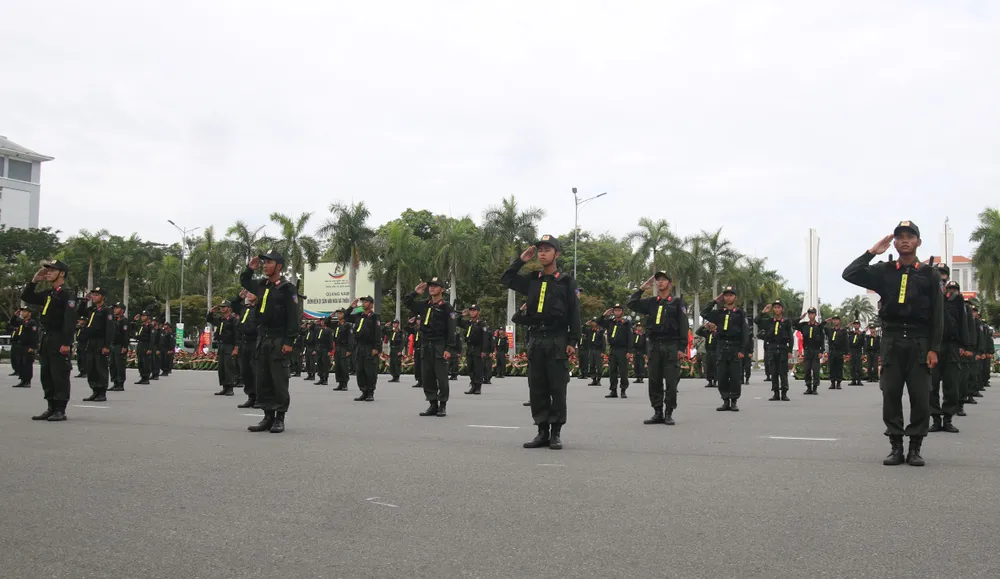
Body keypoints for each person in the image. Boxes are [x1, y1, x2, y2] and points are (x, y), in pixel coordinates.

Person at [842, 221, 941, 466]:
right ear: (894, 243)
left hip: (919, 341)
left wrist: (934, 348)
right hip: (892, 340)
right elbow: (849, 274)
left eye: (910, 236)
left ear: (919, 242)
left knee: (920, 397)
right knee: (891, 395)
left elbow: (938, 315)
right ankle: (896, 446)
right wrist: (871, 253)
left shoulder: (929, 274)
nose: (905, 240)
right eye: (900, 237)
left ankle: (915, 447)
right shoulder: (884, 271)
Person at [501, 234, 581, 450]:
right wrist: (521, 261)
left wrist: (573, 341)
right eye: (540, 250)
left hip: (557, 339)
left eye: (547, 249)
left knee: (557, 388)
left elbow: (575, 313)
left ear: (557, 253)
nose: (542, 253)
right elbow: (507, 279)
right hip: (536, 340)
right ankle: (542, 431)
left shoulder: (566, 281)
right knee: (537, 388)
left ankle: (556, 433)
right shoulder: (532, 280)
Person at [239, 250, 299, 434]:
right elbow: (245, 281)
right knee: (262, 378)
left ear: (279, 266)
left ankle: (279, 417)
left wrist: (289, 340)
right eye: (264, 263)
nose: (265, 265)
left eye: (269, 262)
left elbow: (293, 317)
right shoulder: (262, 285)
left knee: (278, 379)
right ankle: (267, 416)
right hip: (262, 337)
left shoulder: (287, 288)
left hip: (279, 338)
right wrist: (250, 269)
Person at [626, 271, 688, 425]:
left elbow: (683, 326)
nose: (660, 282)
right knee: (654, 381)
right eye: (658, 280)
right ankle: (657, 411)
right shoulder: (651, 302)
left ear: (669, 283)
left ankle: (669, 412)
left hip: (671, 346)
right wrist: (642, 289)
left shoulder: (677, 303)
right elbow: (631, 304)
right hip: (654, 345)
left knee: (671, 382)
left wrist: (681, 347)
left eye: (663, 280)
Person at [20, 260, 77, 421]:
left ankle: (60, 409)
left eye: (53, 270)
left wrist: (66, 343)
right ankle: (50, 407)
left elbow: (69, 320)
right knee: (46, 374)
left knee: (59, 374)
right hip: (46, 337)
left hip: (59, 337)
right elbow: (27, 296)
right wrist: (34, 281)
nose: (49, 272)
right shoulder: (50, 293)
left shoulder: (67, 293)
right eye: (48, 270)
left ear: (62, 273)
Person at [403, 277, 458, 417]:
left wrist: (449, 348)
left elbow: (452, 330)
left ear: (442, 289)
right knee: (427, 376)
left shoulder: (446, 307)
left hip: (439, 344)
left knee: (442, 377)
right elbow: (407, 302)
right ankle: (432, 404)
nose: (432, 288)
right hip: (425, 344)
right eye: (430, 286)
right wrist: (415, 293)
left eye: (435, 285)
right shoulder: (424, 305)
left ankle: (442, 405)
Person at [699, 286, 749, 412]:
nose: (728, 297)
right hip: (721, 347)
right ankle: (725, 400)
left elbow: (744, 332)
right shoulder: (719, 313)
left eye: (731, 295)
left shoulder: (740, 313)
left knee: (735, 376)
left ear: (735, 297)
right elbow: (703, 313)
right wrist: (714, 301)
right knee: (721, 375)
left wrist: (742, 350)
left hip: (735, 347)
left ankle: (734, 400)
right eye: (726, 295)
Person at [929, 280, 966, 433]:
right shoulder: (930, 299)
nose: (947, 288)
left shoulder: (957, 300)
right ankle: (936, 419)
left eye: (951, 287)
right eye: (942, 283)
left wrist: (965, 345)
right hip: (934, 347)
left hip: (952, 346)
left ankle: (948, 418)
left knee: (952, 385)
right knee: (932, 385)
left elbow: (963, 322)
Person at [80, 287, 115, 402]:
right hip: (91, 342)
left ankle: (102, 392)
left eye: (97, 295)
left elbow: (109, 329)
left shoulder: (106, 310)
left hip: (100, 341)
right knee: (91, 367)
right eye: (93, 295)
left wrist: (107, 345)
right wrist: (84, 300)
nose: (94, 297)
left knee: (101, 367)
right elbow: (79, 312)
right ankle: (95, 390)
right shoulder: (93, 310)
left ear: (102, 297)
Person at [756, 300, 794, 401]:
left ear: (782, 309)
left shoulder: (786, 321)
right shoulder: (769, 321)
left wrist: (790, 350)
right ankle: (776, 393)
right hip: (772, 348)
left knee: (783, 372)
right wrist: (763, 312)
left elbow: (790, 336)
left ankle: (784, 393)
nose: (777, 309)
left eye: (779, 307)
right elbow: (756, 321)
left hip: (782, 348)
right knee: (774, 372)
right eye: (775, 307)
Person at [347, 296, 382, 401]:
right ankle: (364, 391)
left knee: (370, 371)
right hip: (359, 346)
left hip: (369, 346)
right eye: (362, 302)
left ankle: (370, 392)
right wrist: (351, 307)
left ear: (371, 304)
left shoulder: (374, 316)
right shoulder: (359, 315)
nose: (363, 303)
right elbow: (346, 317)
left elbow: (377, 333)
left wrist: (376, 348)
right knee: (360, 370)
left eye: (366, 302)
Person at [599, 304, 633, 399]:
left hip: (622, 350)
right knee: (612, 371)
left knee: (623, 371)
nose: (617, 312)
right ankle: (613, 390)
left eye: (619, 310)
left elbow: (630, 337)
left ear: (622, 312)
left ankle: (623, 390)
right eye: (615, 310)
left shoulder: (626, 323)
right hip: (613, 349)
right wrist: (604, 315)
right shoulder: (610, 322)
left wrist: (629, 351)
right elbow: (599, 322)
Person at [234, 290, 260, 409]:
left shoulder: (259, 309)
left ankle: (260, 398)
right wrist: (239, 298)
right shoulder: (245, 308)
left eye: (251, 292)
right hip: (244, 343)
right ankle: (251, 396)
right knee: (246, 372)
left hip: (255, 342)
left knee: (256, 371)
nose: (249, 294)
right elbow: (233, 307)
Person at [207, 302, 238, 396]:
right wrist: (211, 312)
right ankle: (224, 387)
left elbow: (237, 334)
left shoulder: (233, 320)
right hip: (221, 345)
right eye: (221, 307)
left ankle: (230, 388)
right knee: (222, 367)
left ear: (229, 308)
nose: (222, 309)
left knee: (229, 366)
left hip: (230, 345)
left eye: (224, 307)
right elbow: (210, 320)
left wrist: (236, 347)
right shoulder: (221, 319)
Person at [457, 304, 489, 395]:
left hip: (478, 348)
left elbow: (485, 338)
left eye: (474, 310)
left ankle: (478, 387)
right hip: (470, 348)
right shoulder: (469, 323)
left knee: (478, 368)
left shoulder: (482, 324)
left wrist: (484, 350)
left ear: (478, 312)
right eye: (471, 310)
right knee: (470, 368)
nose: (472, 312)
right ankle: (473, 386)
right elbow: (456, 322)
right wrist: (462, 315)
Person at [797, 308, 825, 395]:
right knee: (807, 369)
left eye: (812, 313)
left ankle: (815, 388)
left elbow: (822, 340)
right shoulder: (804, 325)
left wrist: (821, 351)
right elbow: (793, 324)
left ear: (815, 315)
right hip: (807, 350)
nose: (811, 315)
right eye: (809, 313)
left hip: (816, 350)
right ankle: (808, 387)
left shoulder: (819, 326)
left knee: (816, 370)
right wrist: (800, 318)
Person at [13, 308, 38, 388]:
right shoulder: (22, 322)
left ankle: (27, 381)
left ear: (29, 313)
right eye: (22, 312)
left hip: (28, 346)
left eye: (25, 312)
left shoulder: (32, 323)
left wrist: (32, 347)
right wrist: (15, 316)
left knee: (27, 364)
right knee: (20, 363)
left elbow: (34, 336)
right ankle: (22, 380)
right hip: (21, 345)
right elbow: (12, 322)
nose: (22, 313)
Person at [108, 303, 129, 391]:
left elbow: (126, 335)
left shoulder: (124, 321)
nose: (115, 310)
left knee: (119, 365)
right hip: (113, 345)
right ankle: (115, 382)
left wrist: (124, 346)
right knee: (112, 365)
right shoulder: (115, 320)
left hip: (120, 345)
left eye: (117, 308)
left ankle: (120, 383)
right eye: (114, 308)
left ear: (122, 310)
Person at [331, 310, 353, 391]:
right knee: (338, 366)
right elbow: (327, 322)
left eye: (340, 313)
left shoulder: (348, 325)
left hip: (344, 347)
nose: (338, 315)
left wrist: (349, 349)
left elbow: (350, 338)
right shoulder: (337, 325)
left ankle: (345, 383)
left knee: (344, 366)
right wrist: (331, 315)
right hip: (337, 348)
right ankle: (340, 383)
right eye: (338, 314)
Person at [132, 311, 153, 384]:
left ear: (147, 317)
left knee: (145, 362)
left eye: (144, 316)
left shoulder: (150, 326)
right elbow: (132, 328)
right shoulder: (141, 325)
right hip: (140, 344)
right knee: (140, 362)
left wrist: (150, 348)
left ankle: (146, 377)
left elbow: (152, 338)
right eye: (142, 316)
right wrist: (134, 320)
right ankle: (142, 377)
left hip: (146, 344)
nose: (142, 317)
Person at [313, 317, 333, 386]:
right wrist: (316, 349)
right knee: (319, 364)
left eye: (323, 321)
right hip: (319, 349)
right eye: (321, 321)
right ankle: (321, 378)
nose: (321, 322)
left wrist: (330, 350)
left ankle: (325, 379)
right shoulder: (319, 329)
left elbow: (330, 341)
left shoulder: (329, 330)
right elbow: (312, 328)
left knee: (325, 364)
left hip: (325, 349)